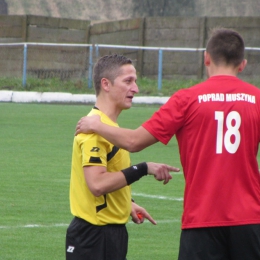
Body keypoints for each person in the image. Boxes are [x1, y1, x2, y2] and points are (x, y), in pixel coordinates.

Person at [75, 28, 260, 260]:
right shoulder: (257, 99)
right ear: (242, 64)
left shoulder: (186, 99)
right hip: (251, 221)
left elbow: (133, 141)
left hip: (201, 220)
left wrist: (96, 125)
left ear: (206, 58)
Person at [66, 54, 179, 260]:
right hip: (94, 236)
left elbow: (108, 177)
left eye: (135, 81)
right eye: (128, 81)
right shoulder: (94, 131)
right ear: (106, 84)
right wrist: (143, 169)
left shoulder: (107, 128)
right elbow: (97, 184)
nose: (135, 88)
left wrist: (127, 203)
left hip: (110, 234)